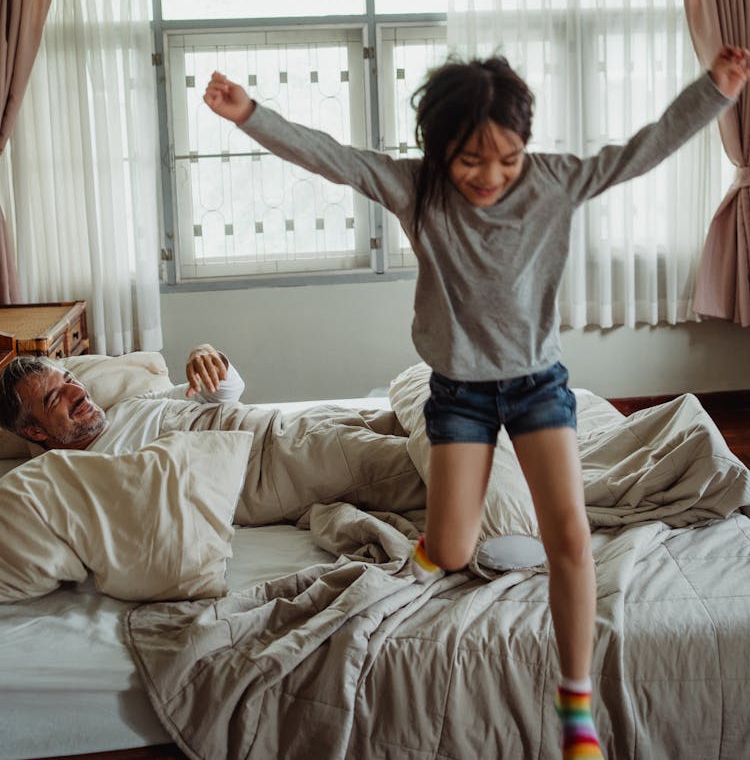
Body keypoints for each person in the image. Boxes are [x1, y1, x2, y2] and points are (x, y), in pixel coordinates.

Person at [203, 44, 750, 760]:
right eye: (470, 160)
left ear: (526, 146)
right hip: (458, 393)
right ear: (439, 151)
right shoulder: (415, 188)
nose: (490, 175)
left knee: (571, 541)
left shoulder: (555, 180)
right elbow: (330, 155)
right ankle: (434, 545)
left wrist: (714, 90)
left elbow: (643, 149)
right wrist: (251, 115)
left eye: (507, 158)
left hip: (537, 386)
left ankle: (573, 699)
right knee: (456, 548)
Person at [0, 343, 245, 454]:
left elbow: (224, 396)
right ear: (35, 433)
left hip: (259, 429)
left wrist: (209, 358)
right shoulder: (72, 475)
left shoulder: (130, 406)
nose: (77, 392)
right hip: (248, 463)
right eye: (55, 398)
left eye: (69, 379)